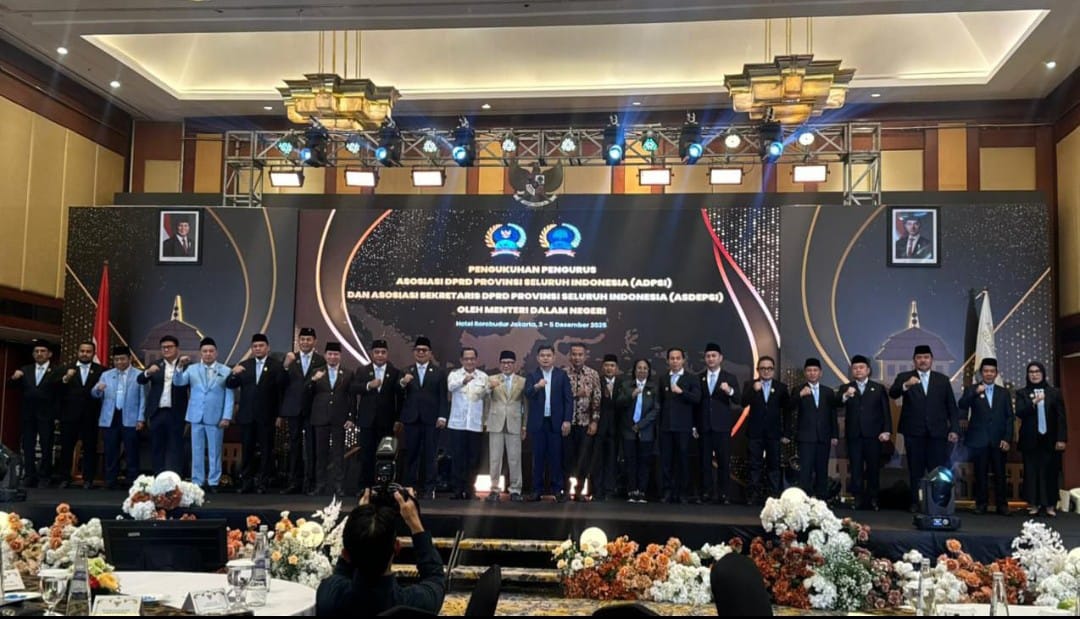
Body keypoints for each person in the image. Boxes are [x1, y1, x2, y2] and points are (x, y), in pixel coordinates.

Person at [316, 488, 444, 615]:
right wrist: (414, 521)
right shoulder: (414, 604)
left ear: (345, 555)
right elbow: (435, 578)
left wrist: (361, 518)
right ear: (397, 547)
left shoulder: (329, 595)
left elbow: (340, 574)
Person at [888, 344, 960, 512]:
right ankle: (916, 502)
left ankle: (936, 503)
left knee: (937, 470)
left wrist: (954, 429)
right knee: (916, 470)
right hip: (914, 432)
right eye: (919, 357)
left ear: (931, 360)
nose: (923, 360)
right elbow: (893, 393)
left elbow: (951, 407)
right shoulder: (904, 377)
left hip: (937, 433)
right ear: (914, 360)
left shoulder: (942, 380)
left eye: (926, 357)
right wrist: (906, 385)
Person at [226, 333, 286, 494]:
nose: (258, 349)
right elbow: (230, 384)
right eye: (255, 346)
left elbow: (281, 391)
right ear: (252, 349)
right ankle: (246, 482)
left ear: (268, 348)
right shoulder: (245, 365)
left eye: (261, 346)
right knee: (247, 450)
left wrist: (279, 415)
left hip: (267, 416)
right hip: (247, 415)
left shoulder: (276, 366)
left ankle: (263, 482)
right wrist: (233, 373)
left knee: (266, 450)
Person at [172, 337, 234, 492]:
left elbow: (229, 396)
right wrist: (179, 366)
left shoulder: (226, 370)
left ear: (216, 353)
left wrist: (226, 416)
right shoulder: (192, 369)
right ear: (200, 353)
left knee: (215, 451)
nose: (208, 354)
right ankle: (197, 481)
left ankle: (213, 482)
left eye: (211, 351)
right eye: (205, 351)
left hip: (216, 417)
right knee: (197, 450)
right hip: (196, 415)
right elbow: (178, 382)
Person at [958, 358, 1014, 516]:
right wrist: (974, 393)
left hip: (998, 440)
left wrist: (1007, 438)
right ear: (981, 373)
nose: (989, 374)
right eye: (986, 371)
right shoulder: (972, 389)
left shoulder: (1003, 392)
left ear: (996, 374)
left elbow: (1009, 417)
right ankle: (981, 504)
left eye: (992, 371)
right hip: (979, 439)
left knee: (1000, 474)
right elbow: (962, 405)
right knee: (980, 473)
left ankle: (1002, 505)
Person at [349, 339, 403, 495]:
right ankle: (365, 487)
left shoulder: (395, 372)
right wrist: (368, 386)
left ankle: (384, 487)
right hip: (367, 421)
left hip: (387, 422)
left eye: (383, 352)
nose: (380, 355)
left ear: (387, 354)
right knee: (366, 455)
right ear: (372, 354)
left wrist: (398, 419)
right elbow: (353, 388)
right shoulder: (362, 370)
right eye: (377, 352)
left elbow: (400, 397)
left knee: (386, 455)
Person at [838, 354, 892, 511]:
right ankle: (857, 499)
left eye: (861, 367)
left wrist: (887, 430)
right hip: (854, 435)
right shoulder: (846, 388)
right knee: (855, 468)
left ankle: (873, 498)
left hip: (874, 435)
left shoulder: (878, 388)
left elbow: (885, 412)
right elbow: (836, 403)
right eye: (855, 368)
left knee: (873, 468)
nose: (858, 370)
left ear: (868, 370)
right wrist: (845, 395)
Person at [399, 336, 449, 500]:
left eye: (424, 350)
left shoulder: (439, 372)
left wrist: (442, 416)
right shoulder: (406, 371)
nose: (421, 353)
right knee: (411, 454)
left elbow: (443, 396)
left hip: (431, 420)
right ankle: (410, 487)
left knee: (430, 455)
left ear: (430, 353)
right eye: (418, 350)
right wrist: (402, 383)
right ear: (414, 352)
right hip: (411, 419)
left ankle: (429, 488)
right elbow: (397, 394)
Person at [1015, 361, 1068, 517]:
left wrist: (1061, 439)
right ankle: (1034, 504)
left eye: (1037, 371)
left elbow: (1061, 417)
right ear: (1027, 375)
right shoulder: (1022, 393)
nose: (1034, 374)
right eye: (1031, 372)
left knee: (1050, 472)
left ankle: (1050, 505)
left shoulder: (1054, 392)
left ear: (1043, 373)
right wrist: (1034, 402)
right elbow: (1019, 412)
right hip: (1030, 440)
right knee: (1031, 473)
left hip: (1050, 440)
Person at [524, 344, 573, 502]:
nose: (545, 358)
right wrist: (537, 387)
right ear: (537, 358)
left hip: (555, 423)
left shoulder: (561, 375)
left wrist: (567, 420)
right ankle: (536, 490)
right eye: (542, 355)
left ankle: (557, 490)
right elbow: (527, 394)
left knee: (555, 458)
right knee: (537, 459)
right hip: (538, 423)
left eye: (548, 355)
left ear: (554, 357)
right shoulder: (532, 375)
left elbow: (568, 399)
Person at [8, 339, 60, 488]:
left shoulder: (57, 371)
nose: (39, 354)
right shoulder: (25, 369)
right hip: (28, 414)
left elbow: (60, 394)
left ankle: (44, 476)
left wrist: (56, 413)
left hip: (47, 414)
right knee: (28, 445)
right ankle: (29, 475)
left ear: (49, 354)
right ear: (33, 354)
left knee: (46, 445)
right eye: (36, 351)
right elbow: (10, 385)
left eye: (43, 351)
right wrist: (14, 377)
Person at [91, 346, 145, 489]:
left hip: (131, 418)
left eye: (122, 359)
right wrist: (97, 389)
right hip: (110, 417)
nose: (119, 362)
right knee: (110, 450)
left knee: (131, 451)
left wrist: (141, 418)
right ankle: (110, 480)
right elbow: (94, 394)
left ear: (129, 359)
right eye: (116, 360)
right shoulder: (106, 375)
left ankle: (132, 481)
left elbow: (143, 399)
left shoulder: (139, 375)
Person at [280, 327, 325, 494]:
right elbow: (280, 383)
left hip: (313, 409)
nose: (305, 342)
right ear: (298, 341)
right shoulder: (291, 359)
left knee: (312, 447)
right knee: (294, 446)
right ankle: (294, 482)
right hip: (293, 409)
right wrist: (285, 366)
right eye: (302, 339)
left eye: (308, 339)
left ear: (315, 341)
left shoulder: (321, 360)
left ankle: (311, 483)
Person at [138, 335, 190, 475]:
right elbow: (140, 380)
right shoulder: (156, 364)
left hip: (176, 412)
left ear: (177, 348)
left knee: (175, 447)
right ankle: (158, 478)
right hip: (157, 412)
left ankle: (174, 479)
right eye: (163, 347)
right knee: (157, 446)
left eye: (169, 347)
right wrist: (148, 372)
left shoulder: (186, 366)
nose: (166, 350)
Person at [696, 342, 740, 505]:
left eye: (714, 356)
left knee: (723, 462)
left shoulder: (729, 377)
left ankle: (724, 494)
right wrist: (695, 425)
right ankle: (706, 493)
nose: (711, 359)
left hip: (722, 427)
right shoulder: (699, 377)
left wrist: (729, 390)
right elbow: (696, 403)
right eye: (708, 356)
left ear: (720, 358)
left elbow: (739, 400)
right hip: (704, 426)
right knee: (705, 462)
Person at [741, 356, 790, 504]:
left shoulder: (781, 387)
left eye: (769, 368)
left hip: (774, 433)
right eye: (763, 368)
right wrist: (753, 391)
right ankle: (752, 496)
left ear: (773, 370)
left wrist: (786, 433)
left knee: (773, 465)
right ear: (758, 370)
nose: (766, 371)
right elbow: (743, 402)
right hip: (755, 433)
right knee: (754, 465)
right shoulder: (750, 385)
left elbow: (787, 411)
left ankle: (773, 496)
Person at [789, 358, 839, 500]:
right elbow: (789, 406)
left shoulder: (828, 392)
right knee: (805, 470)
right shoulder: (798, 390)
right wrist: (800, 395)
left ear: (820, 373)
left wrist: (834, 434)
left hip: (824, 436)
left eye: (815, 370)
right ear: (805, 373)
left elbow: (832, 414)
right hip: (806, 437)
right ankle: (805, 499)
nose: (812, 373)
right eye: (809, 370)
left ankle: (821, 499)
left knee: (822, 469)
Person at [56, 341, 104, 488]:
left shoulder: (101, 371)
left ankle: (88, 479)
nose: (85, 354)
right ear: (78, 352)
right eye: (82, 351)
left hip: (91, 416)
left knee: (90, 448)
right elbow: (56, 391)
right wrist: (65, 378)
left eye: (88, 351)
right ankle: (64, 478)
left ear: (93, 353)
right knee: (66, 448)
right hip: (69, 416)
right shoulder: (65, 368)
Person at [308, 343, 353, 496]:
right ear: (325, 355)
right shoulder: (316, 372)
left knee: (338, 454)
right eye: (330, 354)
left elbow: (351, 397)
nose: (333, 357)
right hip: (320, 418)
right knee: (320, 454)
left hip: (339, 419)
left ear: (340, 356)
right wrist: (313, 381)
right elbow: (306, 393)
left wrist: (351, 417)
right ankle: (319, 485)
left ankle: (339, 486)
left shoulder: (348, 373)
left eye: (336, 354)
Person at [658, 347, 702, 504]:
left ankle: (683, 492)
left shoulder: (691, 378)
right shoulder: (663, 378)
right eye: (672, 358)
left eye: (678, 358)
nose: (675, 361)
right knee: (666, 461)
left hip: (683, 427)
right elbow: (660, 402)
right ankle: (667, 491)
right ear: (668, 361)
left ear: (683, 360)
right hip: (666, 427)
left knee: (683, 460)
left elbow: (697, 398)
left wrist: (682, 392)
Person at [445, 347, 490, 500]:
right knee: (458, 458)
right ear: (461, 360)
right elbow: (450, 387)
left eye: (472, 359)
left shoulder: (483, 376)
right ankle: (457, 490)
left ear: (476, 360)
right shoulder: (454, 375)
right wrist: (464, 380)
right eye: (466, 359)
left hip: (475, 424)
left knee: (473, 459)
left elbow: (488, 399)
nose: (469, 361)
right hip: (457, 424)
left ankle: (470, 489)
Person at [484, 351, 526, 502]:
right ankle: (494, 490)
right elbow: (484, 398)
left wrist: (524, 426)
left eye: (509, 362)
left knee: (515, 458)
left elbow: (525, 405)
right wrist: (489, 388)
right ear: (500, 364)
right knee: (495, 459)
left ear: (514, 364)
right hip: (495, 422)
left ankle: (515, 489)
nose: (506, 365)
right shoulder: (492, 379)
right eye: (504, 362)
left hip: (515, 422)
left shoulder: (522, 381)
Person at [617, 359, 659, 503]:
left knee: (644, 462)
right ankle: (631, 490)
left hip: (645, 431)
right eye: (639, 368)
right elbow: (619, 404)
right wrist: (631, 396)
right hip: (628, 430)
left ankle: (642, 491)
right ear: (634, 370)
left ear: (649, 371)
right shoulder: (626, 385)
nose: (642, 370)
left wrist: (641, 425)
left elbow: (656, 409)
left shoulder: (654, 387)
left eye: (645, 368)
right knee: (630, 461)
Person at [564, 343, 601, 501]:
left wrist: (595, 421)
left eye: (580, 354)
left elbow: (597, 400)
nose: (577, 357)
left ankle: (579, 491)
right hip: (567, 424)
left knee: (583, 460)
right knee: (566, 459)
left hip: (585, 424)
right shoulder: (563, 374)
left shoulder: (593, 374)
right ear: (569, 356)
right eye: (574, 354)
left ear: (585, 356)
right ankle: (565, 491)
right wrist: (575, 394)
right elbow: (559, 398)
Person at [592, 354, 623, 502]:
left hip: (616, 429)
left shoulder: (623, 384)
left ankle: (609, 490)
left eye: (612, 366)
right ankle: (597, 490)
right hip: (599, 428)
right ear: (602, 367)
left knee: (612, 460)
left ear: (616, 368)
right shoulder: (596, 381)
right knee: (598, 461)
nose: (609, 368)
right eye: (606, 365)